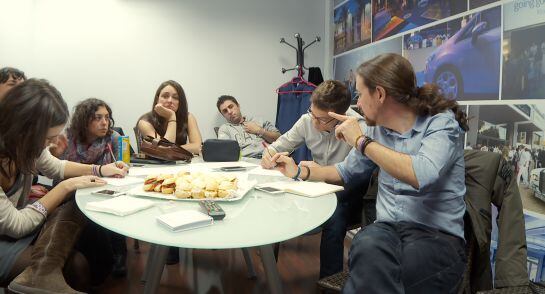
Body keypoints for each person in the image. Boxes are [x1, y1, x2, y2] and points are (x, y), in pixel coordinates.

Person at [271, 53, 467, 293]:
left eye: (361, 94)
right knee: (366, 246)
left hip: (435, 235)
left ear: (380, 94)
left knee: (388, 269)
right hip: (387, 231)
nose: (358, 104)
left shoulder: (440, 123)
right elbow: (345, 172)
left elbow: (422, 173)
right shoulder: (376, 131)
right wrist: (299, 170)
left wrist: (361, 141)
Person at [1, 79, 128, 294]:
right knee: (76, 268)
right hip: (8, 235)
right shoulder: (26, 144)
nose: (50, 144)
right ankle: (41, 275)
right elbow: (17, 224)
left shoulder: (26, 145)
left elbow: (57, 167)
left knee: (81, 247)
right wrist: (65, 187)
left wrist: (100, 170)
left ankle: (43, 273)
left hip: (16, 229)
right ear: (23, 129)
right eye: (48, 137)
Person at [261, 80, 370, 278]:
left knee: (334, 218)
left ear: (340, 116)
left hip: (346, 189)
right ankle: (268, 272)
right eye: (312, 113)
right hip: (315, 185)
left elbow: (350, 175)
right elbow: (278, 145)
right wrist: (269, 155)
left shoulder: (359, 128)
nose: (313, 122)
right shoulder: (308, 120)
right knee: (275, 198)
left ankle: (329, 281)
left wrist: (307, 172)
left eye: (321, 119)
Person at [49, 98, 128, 278]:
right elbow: (52, 172)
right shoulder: (66, 138)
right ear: (84, 120)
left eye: (107, 118)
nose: (104, 123)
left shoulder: (114, 138)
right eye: (97, 118)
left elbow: (124, 168)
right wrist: (54, 156)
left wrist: (122, 168)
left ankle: (119, 254)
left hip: (103, 192)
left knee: (116, 206)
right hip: (70, 192)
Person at [137, 80, 202, 154]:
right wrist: (171, 117)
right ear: (157, 99)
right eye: (165, 96)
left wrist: (173, 149)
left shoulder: (188, 117)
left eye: (175, 97)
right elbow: (164, 153)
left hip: (181, 163)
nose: (170, 100)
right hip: (154, 164)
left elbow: (198, 147)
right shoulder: (145, 121)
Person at [216, 95, 280, 158]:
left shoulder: (258, 120)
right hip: (245, 161)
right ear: (223, 115)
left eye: (231, 107)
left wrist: (260, 131)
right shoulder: (225, 129)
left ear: (238, 106)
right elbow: (225, 152)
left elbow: (280, 139)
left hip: (269, 156)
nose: (229, 112)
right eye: (225, 111)